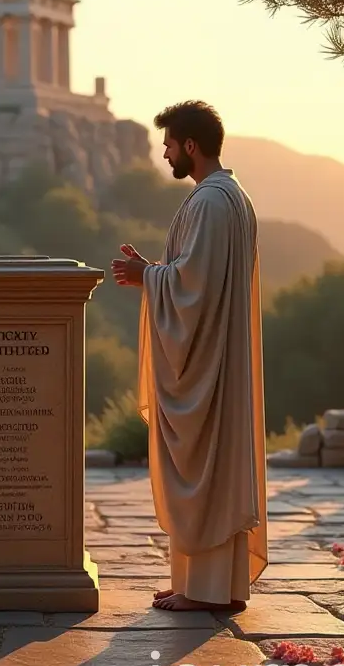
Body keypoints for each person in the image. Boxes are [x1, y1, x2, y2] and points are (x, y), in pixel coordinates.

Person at [110, 100, 268, 612]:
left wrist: (147, 277)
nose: (164, 153)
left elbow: (193, 287)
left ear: (191, 147)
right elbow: (197, 277)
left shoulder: (211, 202)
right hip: (219, 355)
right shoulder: (231, 196)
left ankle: (205, 592)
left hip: (207, 365)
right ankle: (201, 585)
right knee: (212, 471)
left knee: (203, 469)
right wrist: (155, 271)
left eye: (170, 144)